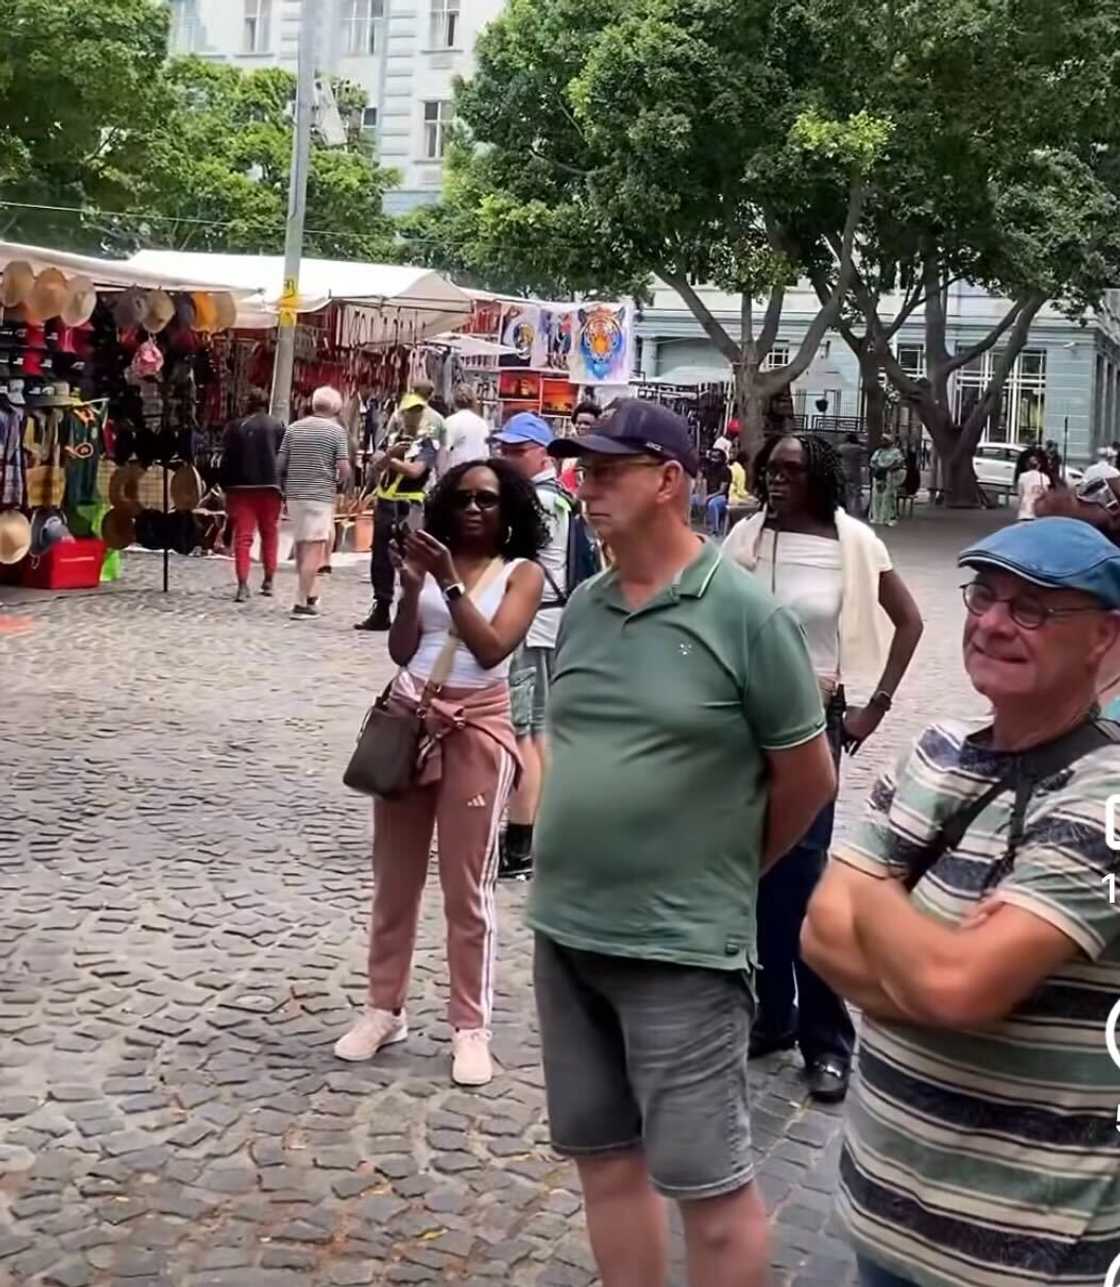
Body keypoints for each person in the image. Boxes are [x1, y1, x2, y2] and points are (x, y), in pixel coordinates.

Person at [527, 399, 838, 1287]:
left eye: (606, 471)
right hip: (568, 931)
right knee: (605, 1159)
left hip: (683, 947)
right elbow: (571, 740)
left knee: (710, 1185)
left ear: (668, 481)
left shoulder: (747, 617)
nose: (585, 488)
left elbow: (807, 779)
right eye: (582, 470)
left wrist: (728, 872)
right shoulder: (584, 606)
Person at [803, 515, 1120, 1287]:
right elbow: (818, 935)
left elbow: (956, 983)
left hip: (1030, 1251)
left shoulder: (1107, 793)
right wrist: (936, 967)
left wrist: (874, 884)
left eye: (1034, 608)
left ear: (1107, 638)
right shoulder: (935, 750)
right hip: (882, 1213)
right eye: (983, 596)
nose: (991, 622)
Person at [334, 459, 546, 1087]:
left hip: (478, 729)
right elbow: (402, 649)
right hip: (410, 720)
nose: (474, 509)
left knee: (467, 890)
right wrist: (408, 592)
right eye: (462, 499)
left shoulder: (522, 574)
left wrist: (449, 582)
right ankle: (383, 1008)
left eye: (488, 500)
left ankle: (469, 1026)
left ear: (510, 511)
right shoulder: (432, 567)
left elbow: (490, 647)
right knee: (393, 881)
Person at [723, 434, 923, 1102]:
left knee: (804, 878)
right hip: (740, 728)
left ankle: (827, 1039)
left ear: (820, 478)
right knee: (756, 872)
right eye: (770, 469)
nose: (776, 480)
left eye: (791, 470)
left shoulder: (853, 544)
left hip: (813, 725)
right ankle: (773, 1014)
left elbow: (910, 621)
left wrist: (875, 706)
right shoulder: (744, 539)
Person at [492, 413, 571, 880]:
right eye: (505, 449)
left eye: (518, 451)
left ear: (543, 453)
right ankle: (533, 834)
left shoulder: (537, 502)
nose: (509, 457)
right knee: (538, 733)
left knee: (523, 734)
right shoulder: (558, 497)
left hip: (531, 624)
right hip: (548, 623)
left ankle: (519, 845)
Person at [355, 394, 434, 633]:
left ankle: (410, 609)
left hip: (411, 506)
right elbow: (376, 464)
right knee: (380, 558)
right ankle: (381, 607)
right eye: (409, 411)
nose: (413, 416)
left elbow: (415, 470)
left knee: (411, 558)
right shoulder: (389, 439)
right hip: (387, 503)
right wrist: (389, 456)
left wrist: (391, 460)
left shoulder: (427, 443)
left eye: (417, 411)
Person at [277, 386, 350, 620]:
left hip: (295, 495)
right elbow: (344, 468)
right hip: (320, 496)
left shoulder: (294, 428)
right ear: (336, 407)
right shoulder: (336, 432)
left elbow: (280, 464)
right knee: (314, 550)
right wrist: (339, 478)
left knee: (301, 545)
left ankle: (308, 593)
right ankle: (301, 602)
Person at [219, 389, 285, 603]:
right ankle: (268, 580)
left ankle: (243, 585)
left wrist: (225, 486)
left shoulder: (235, 427)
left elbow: (226, 459)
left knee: (243, 537)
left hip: (241, 488)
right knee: (270, 534)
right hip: (270, 487)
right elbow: (282, 457)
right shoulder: (278, 426)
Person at [444, 384, 491, 470]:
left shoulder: (451, 421)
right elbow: (485, 453)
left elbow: (444, 450)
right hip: (477, 471)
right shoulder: (482, 423)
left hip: (457, 471)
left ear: (453, 401)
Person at [558, 400, 600, 492]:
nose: (581, 427)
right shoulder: (566, 452)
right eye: (578, 423)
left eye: (586, 423)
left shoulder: (602, 454)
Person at [868, 434, 905, 526]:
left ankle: (889, 518)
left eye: (885, 440)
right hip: (879, 476)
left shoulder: (896, 452)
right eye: (882, 440)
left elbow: (900, 463)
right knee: (877, 497)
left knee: (888, 497)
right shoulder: (878, 452)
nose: (883, 442)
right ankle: (876, 517)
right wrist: (878, 469)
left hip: (890, 476)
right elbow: (872, 462)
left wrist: (890, 468)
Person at [701, 447, 732, 533]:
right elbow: (704, 484)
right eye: (712, 457)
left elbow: (722, 490)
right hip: (709, 495)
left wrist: (708, 497)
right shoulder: (709, 469)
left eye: (716, 457)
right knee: (690, 499)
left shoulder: (726, 471)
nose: (713, 460)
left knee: (712, 504)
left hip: (722, 497)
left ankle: (715, 530)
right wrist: (703, 496)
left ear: (721, 458)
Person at [1016, 449, 1050, 519]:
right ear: (1039, 466)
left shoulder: (1023, 476)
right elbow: (1046, 494)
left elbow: (1020, 494)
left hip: (1025, 511)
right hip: (1038, 512)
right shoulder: (1045, 478)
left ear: (1027, 465)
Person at [838, 432, 864, 514]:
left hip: (843, 470)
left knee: (845, 491)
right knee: (857, 491)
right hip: (855, 471)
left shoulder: (841, 447)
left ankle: (845, 508)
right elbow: (866, 450)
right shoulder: (857, 448)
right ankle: (857, 509)